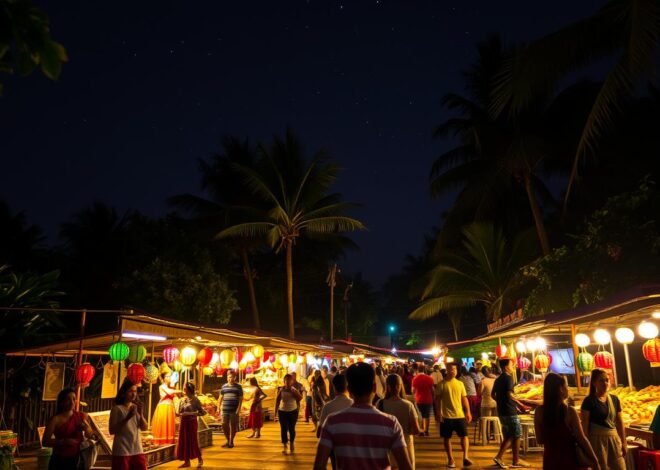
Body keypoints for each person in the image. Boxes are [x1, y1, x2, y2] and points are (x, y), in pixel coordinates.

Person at [313, 363, 412, 470]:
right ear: (374, 387)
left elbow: (319, 466)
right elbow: (406, 467)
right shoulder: (391, 423)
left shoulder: (332, 422)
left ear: (349, 389)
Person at [534, 373, 600, 470]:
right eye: (566, 386)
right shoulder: (569, 412)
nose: (567, 389)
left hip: (550, 460)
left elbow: (540, 439)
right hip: (569, 460)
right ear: (560, 389)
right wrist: (595, 460)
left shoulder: (539, 411)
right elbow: (581, 439)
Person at [580, 368, 626, 470]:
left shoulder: (614, 399)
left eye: (607, 380)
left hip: (614, 441)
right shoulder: (588, 401)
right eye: (601, 380)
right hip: (597, 442)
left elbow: (620, 423)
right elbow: (585, 427)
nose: (605, 383)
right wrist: (587, 448)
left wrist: (624, 442)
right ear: (594, 383)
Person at [42, 388, 95, 470]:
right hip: (59, 459)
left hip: (77, 458)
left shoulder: (82, 416)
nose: (72, 402)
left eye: (74, 399)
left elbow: (91, 435)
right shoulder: (55, 419)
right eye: (68, 399)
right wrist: (64, 441)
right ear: (61, 402)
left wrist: (86, 428)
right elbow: (45, 442)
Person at [492, 359, 530, 468]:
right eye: (511, 364)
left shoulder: (498, 379)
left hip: (502, 411)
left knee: (509, 435)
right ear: (505, 367)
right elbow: (510, 394)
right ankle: (511, 460)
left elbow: (492, 395)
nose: (513, 366)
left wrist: (501, 402)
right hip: (510, 411)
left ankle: (510, 459)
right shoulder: (508, 378)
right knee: (517, 434)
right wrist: (520, 404)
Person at [378, 374, 421, 469]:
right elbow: (416, 430)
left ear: (387, 386)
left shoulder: (380, 404)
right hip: (406, 446)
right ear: (400, 386)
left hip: (387, 448)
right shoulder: (408, 405)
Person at [435, 362, 472, 468]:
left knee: (464, 436)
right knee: (447, 438)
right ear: (447, 370)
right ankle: (451, 459)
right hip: (446, 416)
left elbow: (464, 398)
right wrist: (438, 413)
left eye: (455, 369)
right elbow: (437, 400)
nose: (453, 371)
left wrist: (468, 411)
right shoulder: (441, 384)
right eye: (451, 369)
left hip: (459, 415)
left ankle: (465, 457)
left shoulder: (460, 383)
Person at [317, 374, 354, 470]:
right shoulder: (354, 405)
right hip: (352, 447)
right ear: (347, 386)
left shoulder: (328, 407)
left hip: (334, 448)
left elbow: (319, 432)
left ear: (334, 387)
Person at [109, 379, 148, 470]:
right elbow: (112, 430)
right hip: (122, 450)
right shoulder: (117, 409)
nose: (134, 394)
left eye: (135, 391)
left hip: (137, 449)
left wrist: (141, 414)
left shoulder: (136, 407)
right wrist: (128, 417)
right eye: (130, 391)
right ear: (123, 394)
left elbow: (144, 427)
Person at [176, 382, 205, 468]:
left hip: (192, 422)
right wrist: (180, 413)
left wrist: (190, 413)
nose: (184, 390)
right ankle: (186, 461)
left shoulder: (195, 400)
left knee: (193, 441)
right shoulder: (182, 400)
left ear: (189, 389)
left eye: (185, 388)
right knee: (184, 441)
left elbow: (202, 412)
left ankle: (200, 459)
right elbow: (178, 412)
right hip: (183, 422)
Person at [151, 371, 182, 445]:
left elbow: (174, 396)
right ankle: (163, 441)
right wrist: (180, 391)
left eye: (170, 376)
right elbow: (169, 392)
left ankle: (169, 442)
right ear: (164, 378)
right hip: (164, 407)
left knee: (169, 424)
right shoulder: (162, 386)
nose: (169, 378)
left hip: (169, 407)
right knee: (164, 424)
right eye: (167, 376)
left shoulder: (171, 387)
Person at [275, 373, 302, 454]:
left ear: (292, 381)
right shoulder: (281, 390)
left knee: (291, 429)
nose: (287, 381)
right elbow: (277, 401)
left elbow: (300, 398)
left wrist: (293, 392)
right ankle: (285, 445)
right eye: (286, 380)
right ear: (284, 381)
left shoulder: (294, 389)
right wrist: (275, 413)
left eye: (289, 380)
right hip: (282, 411)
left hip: (293, 411)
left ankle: (292, 443)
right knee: (283, 429)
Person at [219, 370, 243, 448]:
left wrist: (238, 409)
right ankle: (227, 440)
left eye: (232, 377)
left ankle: (231, 441)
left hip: (234, 410)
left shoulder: (238, 387)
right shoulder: (224, 386)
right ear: (227, 378)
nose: (230, 379)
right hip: (225, 409)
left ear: (235, 378)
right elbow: (220, 397)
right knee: (224, 424)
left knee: (233, 425)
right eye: (229, 377)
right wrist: (219, 407)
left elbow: (240, 399)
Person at [411, 363, 434, 437]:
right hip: (428, 399)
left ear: (418, 370)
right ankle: (426, 431)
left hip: (419, 399)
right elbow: (432, 390)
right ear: (425, 370)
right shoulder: (430, 378)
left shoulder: (415, 378)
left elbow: (413, 391)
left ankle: (421, 431)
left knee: (419, 415)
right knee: (426, 415)